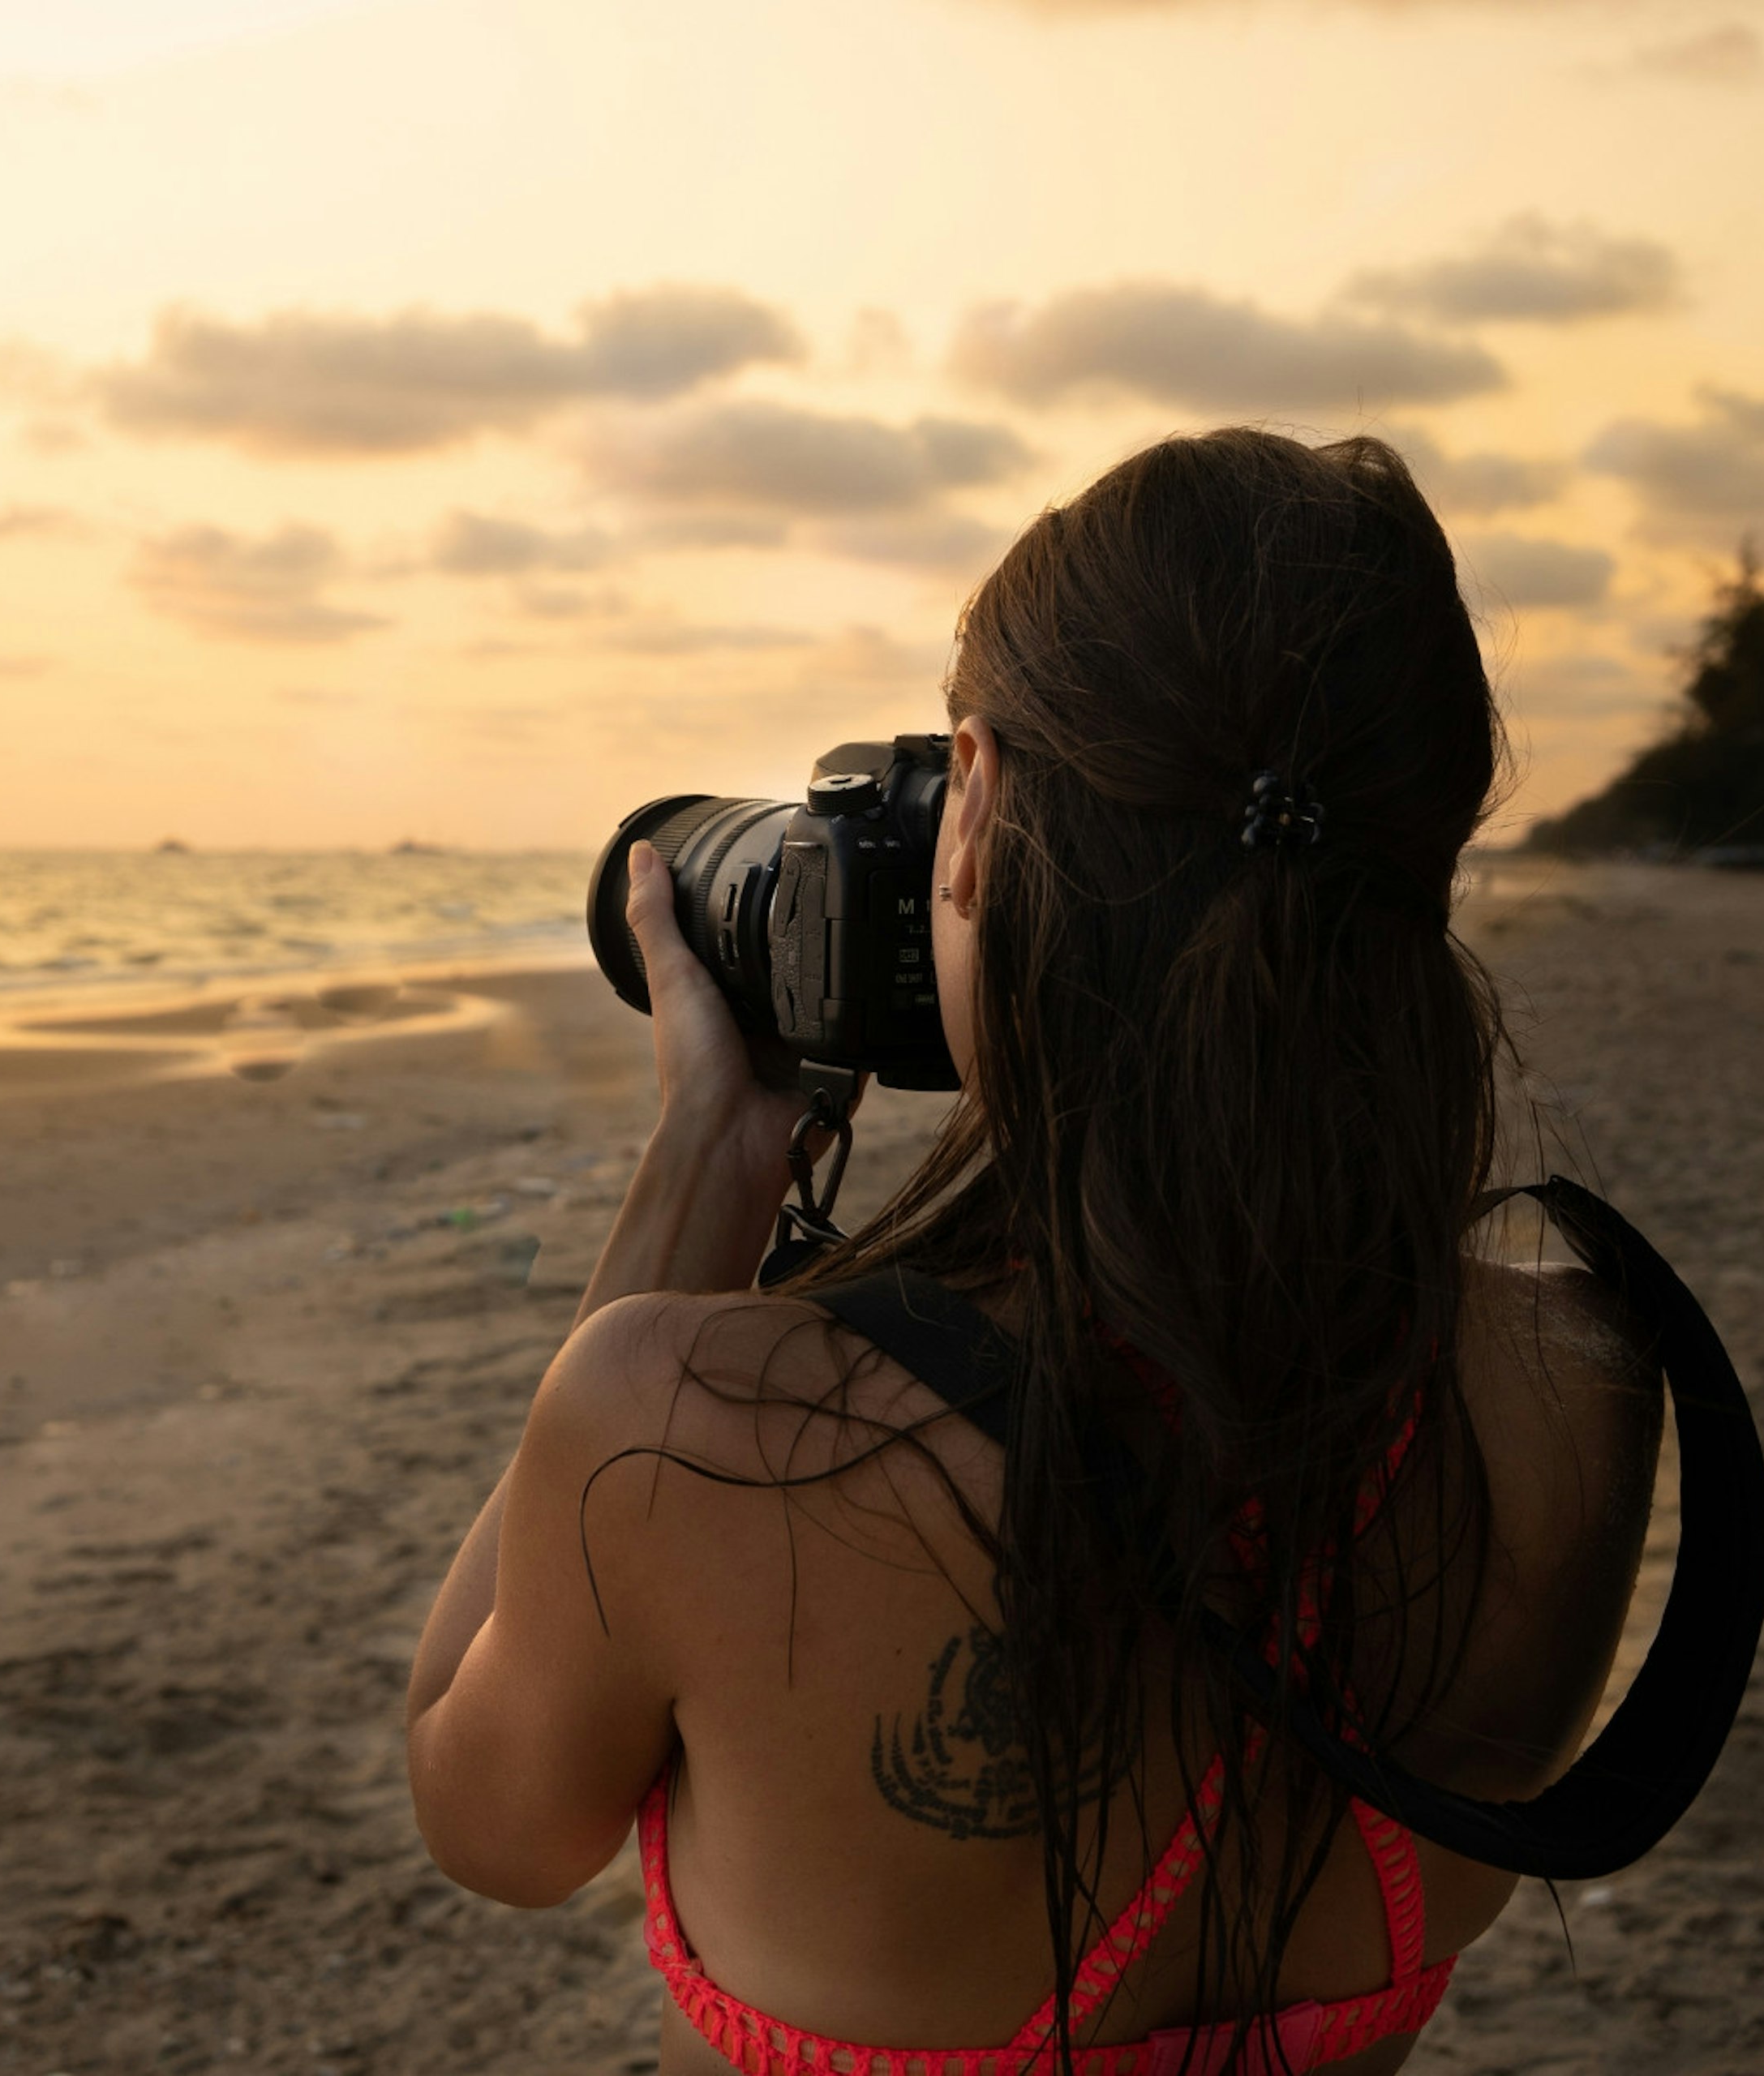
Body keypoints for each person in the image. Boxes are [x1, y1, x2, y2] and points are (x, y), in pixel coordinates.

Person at [405, 429, 1666, 2074]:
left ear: (978, 807)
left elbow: (483, 1809)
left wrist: (712, 1156)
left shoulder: (687, 1425)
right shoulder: (1577, 1387)